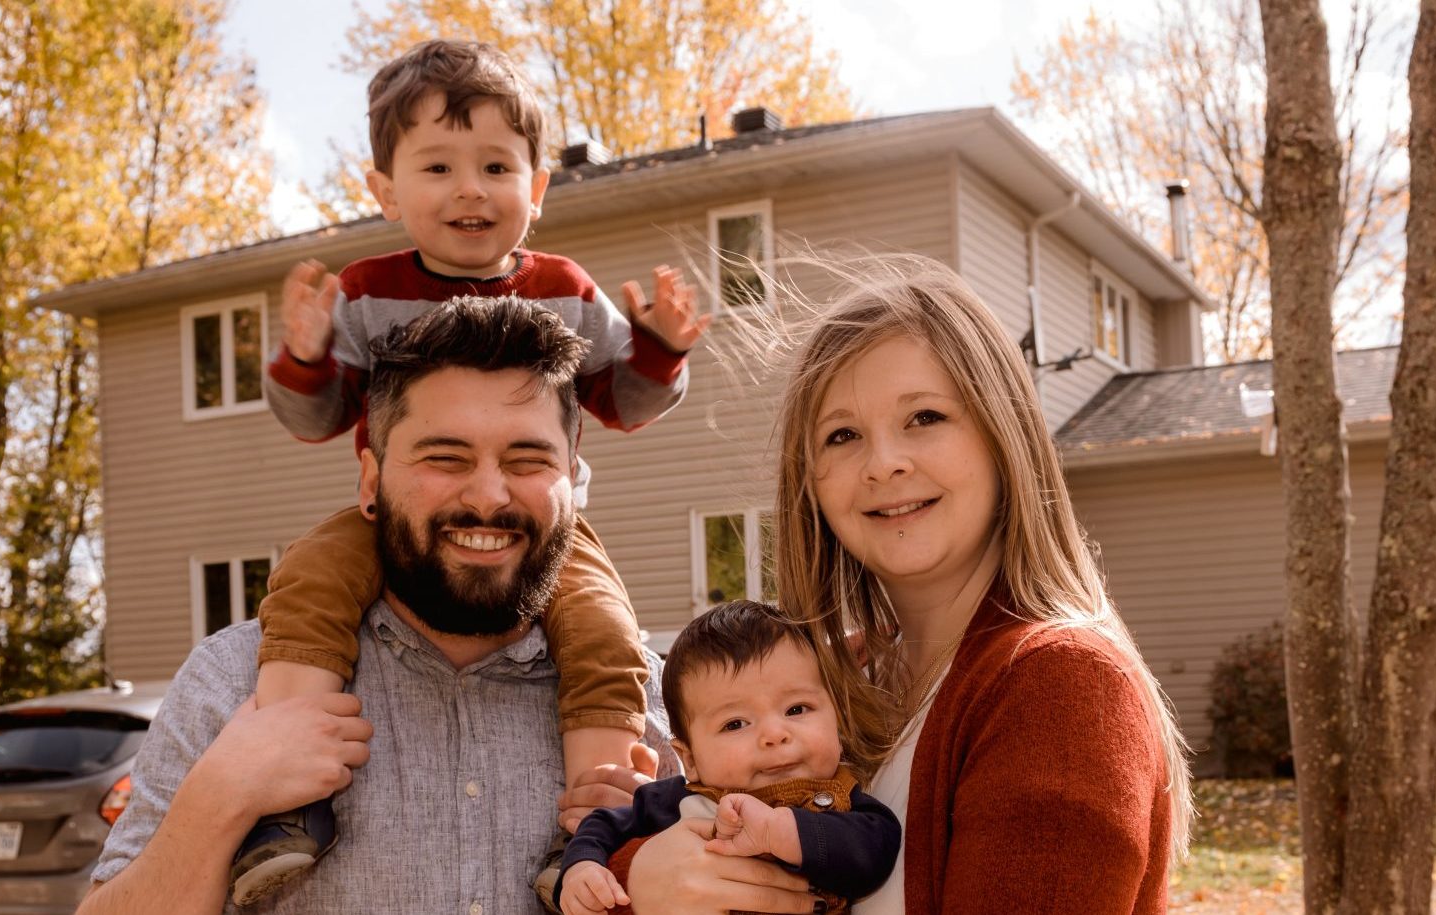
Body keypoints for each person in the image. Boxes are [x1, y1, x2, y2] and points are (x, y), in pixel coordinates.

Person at [241, 37, 711, 902]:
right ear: (385, 190)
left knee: (605, 632)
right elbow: (316, 420)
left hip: (545, 542)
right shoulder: (364, 292)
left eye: (496, 165)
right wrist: (307, 358)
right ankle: (284, 803)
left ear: (535, 188)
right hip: (395, 523)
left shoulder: (565, 289)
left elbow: (622, 402)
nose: (470, 188)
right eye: (438, 166)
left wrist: (662, 349)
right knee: (306, 584)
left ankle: (593, 831)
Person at [615, 257, 1193, 914]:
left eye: (923, 417)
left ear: (1002, 436)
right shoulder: (835, 685)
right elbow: (691, 838)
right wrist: (637, 874)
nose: (884, 462)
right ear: (810, 481)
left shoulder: (1054, 686)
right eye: (842, 435)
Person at [80, 297, 681, 915]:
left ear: (571, 480)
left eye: (528, 460)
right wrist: (219, 799)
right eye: (445, 457)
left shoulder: (661, 706)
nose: (488, 495)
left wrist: (663, 863)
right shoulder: (233, 682)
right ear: (370, 482)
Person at [556, 601, 900, 915]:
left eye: (797, 709)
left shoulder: (846, 803)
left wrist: (781, 832)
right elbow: (601, 825)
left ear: (837, 717)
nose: (774, 734)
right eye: (735, 724)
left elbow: (876, 851)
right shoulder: (677, 799)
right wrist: (582, 868)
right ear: (689, 759)